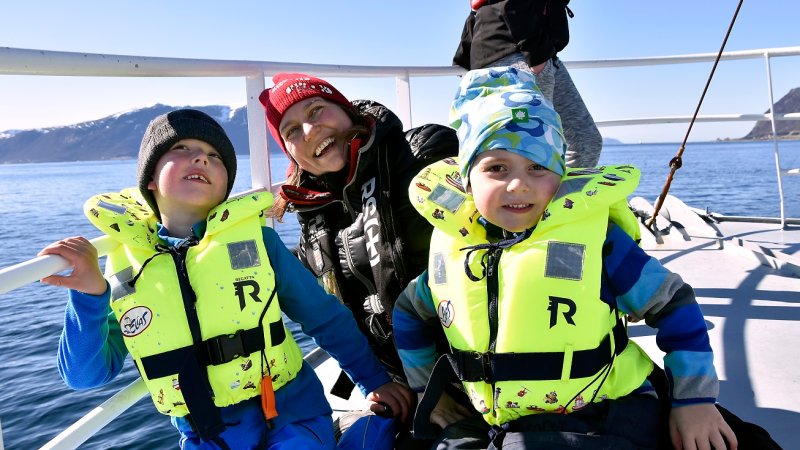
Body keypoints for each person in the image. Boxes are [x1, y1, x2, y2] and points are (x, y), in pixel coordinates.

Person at [392, 67, 738, 449]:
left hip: (603, 410)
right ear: (468, 180)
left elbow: (672, 303)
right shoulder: (453, 250)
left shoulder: (600, 243)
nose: (518, 184)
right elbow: (409, 312)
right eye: (496, 168)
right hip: (499, 419)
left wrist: (694, 401)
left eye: (538, 167)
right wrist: (428, 391)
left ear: (561, 177)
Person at [39, 108, 412, 449]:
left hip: (292, 415)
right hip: (207, 433)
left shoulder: (260, 243)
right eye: (181, 149)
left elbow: (324, 317)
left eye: (214, 156)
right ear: (150, 178)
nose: (201, 157)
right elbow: (86, 376)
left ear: (225, 186)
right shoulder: (126, 268)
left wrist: (374, 381)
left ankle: (365, 432)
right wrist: (89, 296)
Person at [258, 73, 458, 399]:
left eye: (316, 110)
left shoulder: (422, 156)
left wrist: (432, 391)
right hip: (398, 386)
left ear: (346, 109)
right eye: (291, 131)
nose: (308, 131)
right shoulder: (313, 216)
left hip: (469, 368)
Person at [453, 0, 603, 168]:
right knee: (530, 149)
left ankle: (558, 186)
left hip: (541, 54)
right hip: (517, 53)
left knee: (585, 141)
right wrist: (537, 57)